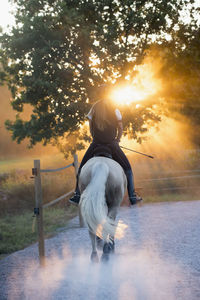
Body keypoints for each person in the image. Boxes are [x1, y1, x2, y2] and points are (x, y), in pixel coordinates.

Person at [69, 96, 142, 206]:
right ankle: (132, 196)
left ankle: (77, 195)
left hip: (96, 143)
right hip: (112, 144)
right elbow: (120, 127)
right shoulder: (115, 109)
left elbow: (90, 128)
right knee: (128, 169)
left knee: (81, 169)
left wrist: (96, 138)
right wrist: (117, 139)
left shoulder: (93, 109)